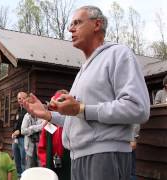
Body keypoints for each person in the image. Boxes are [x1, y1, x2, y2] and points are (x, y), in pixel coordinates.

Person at [23, 6, 150, 180]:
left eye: (77, 23)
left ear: (97, 24)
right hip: (78, 158)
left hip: (105, 155)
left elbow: (138, 108)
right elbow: (80, 117)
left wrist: (81, 109)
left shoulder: (118, 54)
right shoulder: (84, 69)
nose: (70, 29)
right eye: (71, 24)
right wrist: (47, 114)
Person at [11, 91, 27, 177]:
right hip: (16, 139)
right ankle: (19, 176)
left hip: (24, 138)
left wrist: (20, 132)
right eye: (19, 98)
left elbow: (30, 125)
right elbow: (15, 123)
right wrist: (13, 132)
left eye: (23, 98)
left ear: (26, 98)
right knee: (16, 159)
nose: (21, 100)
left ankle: (24, 176)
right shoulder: (18, 110)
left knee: (23, 159)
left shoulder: (28, 110)